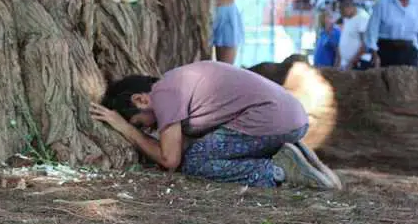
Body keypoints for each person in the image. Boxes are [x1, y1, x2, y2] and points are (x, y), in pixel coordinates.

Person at [89, 61, 342, 190]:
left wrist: (126, 130)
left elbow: (171, 160)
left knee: (196, 163)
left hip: (271, 120)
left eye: (140, 124)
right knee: (203, 151)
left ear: (141, 100)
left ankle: (278, 170)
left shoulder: (164, 94)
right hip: (290, 120)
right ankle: (296, 155)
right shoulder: (177, 83)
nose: (146, 129)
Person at [337, 0, 372, 70]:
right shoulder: (347, 18)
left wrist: (352, 62)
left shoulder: (363, 18)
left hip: (358, 64)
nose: (340, 13)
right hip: (346, 64)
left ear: (348, 6)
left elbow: (365, 45)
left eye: (341, 9)